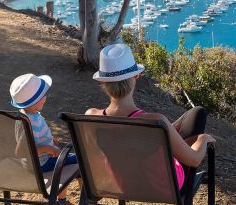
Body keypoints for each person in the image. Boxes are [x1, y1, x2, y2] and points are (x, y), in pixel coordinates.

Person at [85, 44, 215, 189]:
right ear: (136, 75)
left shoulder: (91, 117)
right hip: (163, 187)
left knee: (176, 125)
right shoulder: (155, 121)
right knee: (197, 113)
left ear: (102, 81)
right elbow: (194, 160)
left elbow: (94, 158)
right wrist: (203, 140)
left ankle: (167, 138)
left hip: (122, 184)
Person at [10, 73, 77, 205]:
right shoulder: (30, 122)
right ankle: (68, 202)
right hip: (40, 164)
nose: (46, 97)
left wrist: (49, 141)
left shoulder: (25, 115)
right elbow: (21, 151)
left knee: (67, 159)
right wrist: (46, 147)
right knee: (80, 160)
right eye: (44, 96)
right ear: (36, 102)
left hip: (34, 162)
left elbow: (33, 139)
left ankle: (62, 202)